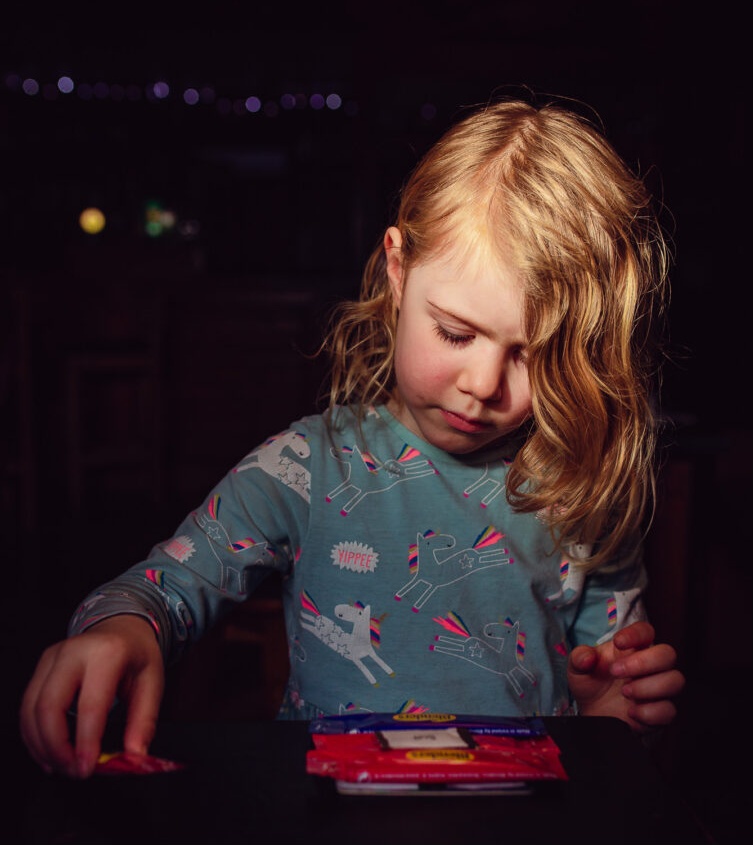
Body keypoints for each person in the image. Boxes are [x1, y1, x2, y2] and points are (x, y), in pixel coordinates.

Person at [20, 99, 685, 778]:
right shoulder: (307, 467)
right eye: (456, 333)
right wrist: (121, 629)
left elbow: (622, 746)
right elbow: (158, 590)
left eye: (536, 354)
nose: (484, 383)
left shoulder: (585, 490)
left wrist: (606, 720)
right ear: (398, 272)